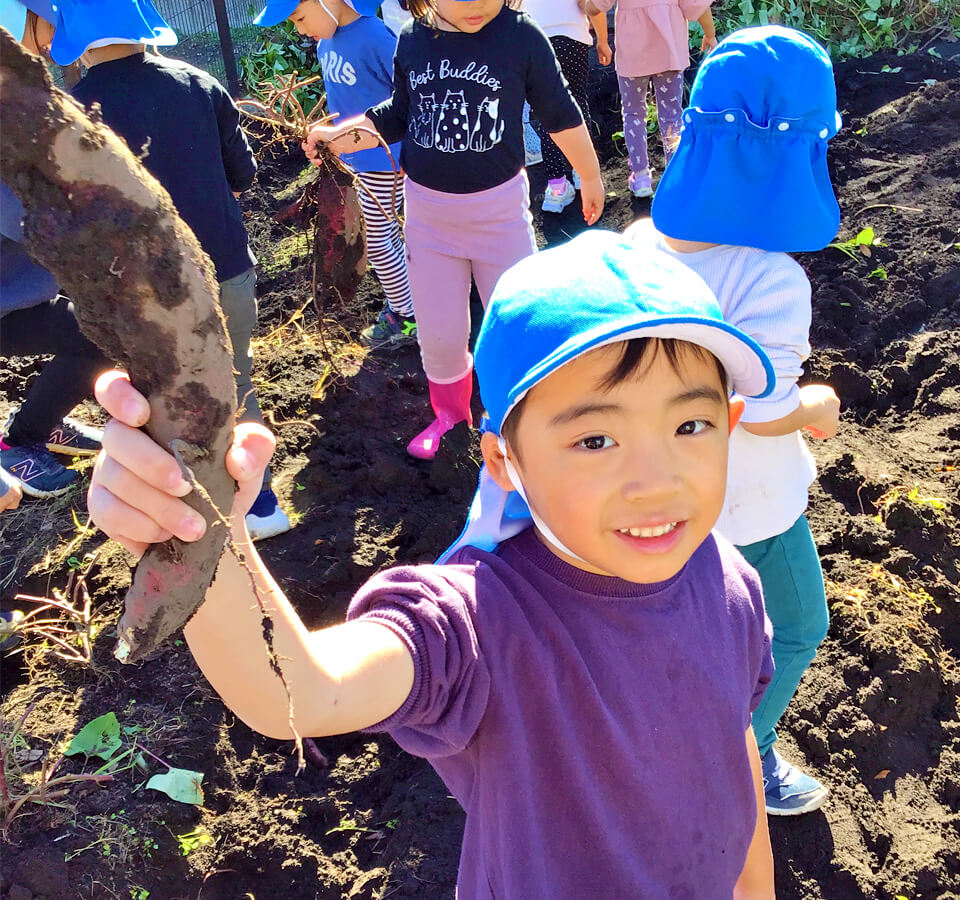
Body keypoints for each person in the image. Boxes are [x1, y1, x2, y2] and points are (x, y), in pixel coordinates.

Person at [87, 231, 777, 898]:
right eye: (596, 439)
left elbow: (731, 743)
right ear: (506, 461)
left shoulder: (729, 579)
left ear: (732, 420)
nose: (656, 481)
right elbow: (299, 689)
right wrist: (198, 520)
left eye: (690, 426)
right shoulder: (478, 624)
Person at [629, 25, 844, 815]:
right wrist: (817, 407)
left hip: (658, 506)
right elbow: (763, 411)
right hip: (754, 507)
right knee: (794, 628)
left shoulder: (635, 245)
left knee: (686, 634)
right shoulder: (772, 281)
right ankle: (740, 752)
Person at [304, 0, 606, 460]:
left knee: (517, 321)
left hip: (498, 216)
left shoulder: (520, 36)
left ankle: (518, 415)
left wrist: (590, 174)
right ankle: (449, 415)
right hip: (430, 221)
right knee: (440, 333)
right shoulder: (414, 38)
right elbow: (399, 111)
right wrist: (346, 133)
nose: (475, 4)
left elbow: (560, 111)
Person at [53, 0, 290, 540]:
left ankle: (188, 515)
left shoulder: (75, 111)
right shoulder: (199, 83)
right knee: (235, 381)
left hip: (138, 290)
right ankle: (260, 504)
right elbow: (242, 174)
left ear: (75, 40)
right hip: (224, 268)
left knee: (162, 398)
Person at [254, 0, 416, 347]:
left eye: (299, 17)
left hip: (388, 159)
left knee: (381, 237)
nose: (299, 29)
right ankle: (416, 301)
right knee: (391, 234)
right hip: (360, 158)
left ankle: (407, 317)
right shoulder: (327, 41)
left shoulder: (374, 36)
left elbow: (409, 96)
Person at [0, 0, 110, 499]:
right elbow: (30, 222)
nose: (52, 40)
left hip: (15, 290)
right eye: (49, 23)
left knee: (93, 332)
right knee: (94, 332)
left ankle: (37, 427)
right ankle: (18, 447)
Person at [585, 0, 717, 197]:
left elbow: (596, 6)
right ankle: (675, 173)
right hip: (669, 51)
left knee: (633, 114)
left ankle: (641, 178)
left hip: (632, 54)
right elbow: (696, 4)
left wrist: (599, 36)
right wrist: (710, 33)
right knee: (672, 115)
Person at [524, 0, 612, 213]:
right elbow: (592, 5)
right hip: (572, 39)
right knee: (578, 103)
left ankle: (556, 188)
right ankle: (584, 174)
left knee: (546, 112)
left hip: (535, 41)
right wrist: (603, 40)